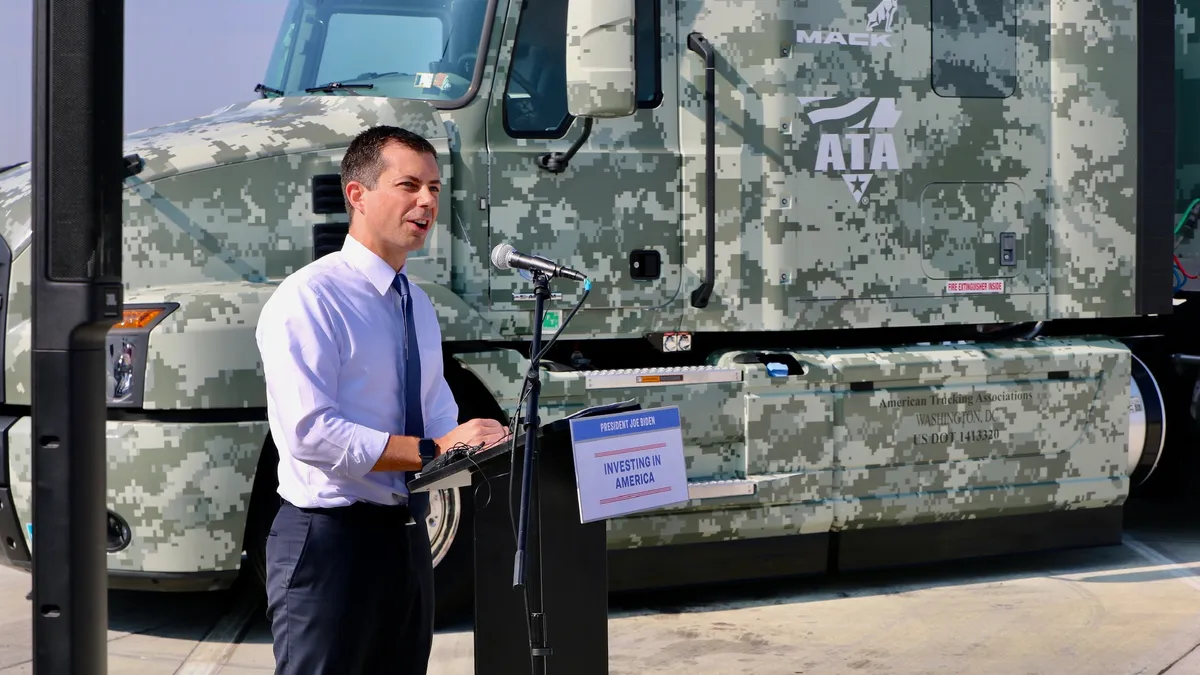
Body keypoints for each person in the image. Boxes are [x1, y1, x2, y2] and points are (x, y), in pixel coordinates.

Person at [255, 125, 510, 675]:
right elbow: (310, 433)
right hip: (330, 544)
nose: (426, 202)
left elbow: (438, 409)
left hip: (407, 539)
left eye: (436, 189)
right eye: (409, 185)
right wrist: (434, 447)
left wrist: (483, 444)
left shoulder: (415, 302)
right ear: (358, 195)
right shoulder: (309, 298)